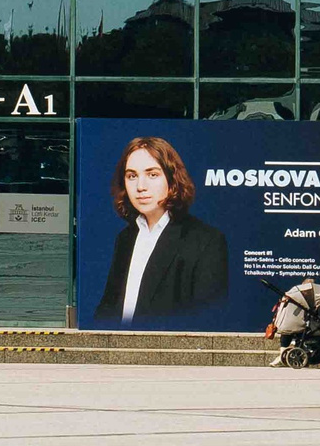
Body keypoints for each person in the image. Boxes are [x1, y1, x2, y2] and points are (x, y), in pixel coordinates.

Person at [89, 137, 229, 326]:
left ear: (172, 179)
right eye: (132, 176)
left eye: (152, 174)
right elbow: (109, 308)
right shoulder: (126, 238)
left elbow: (206, 320)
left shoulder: (205, 241)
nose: (140, 186)